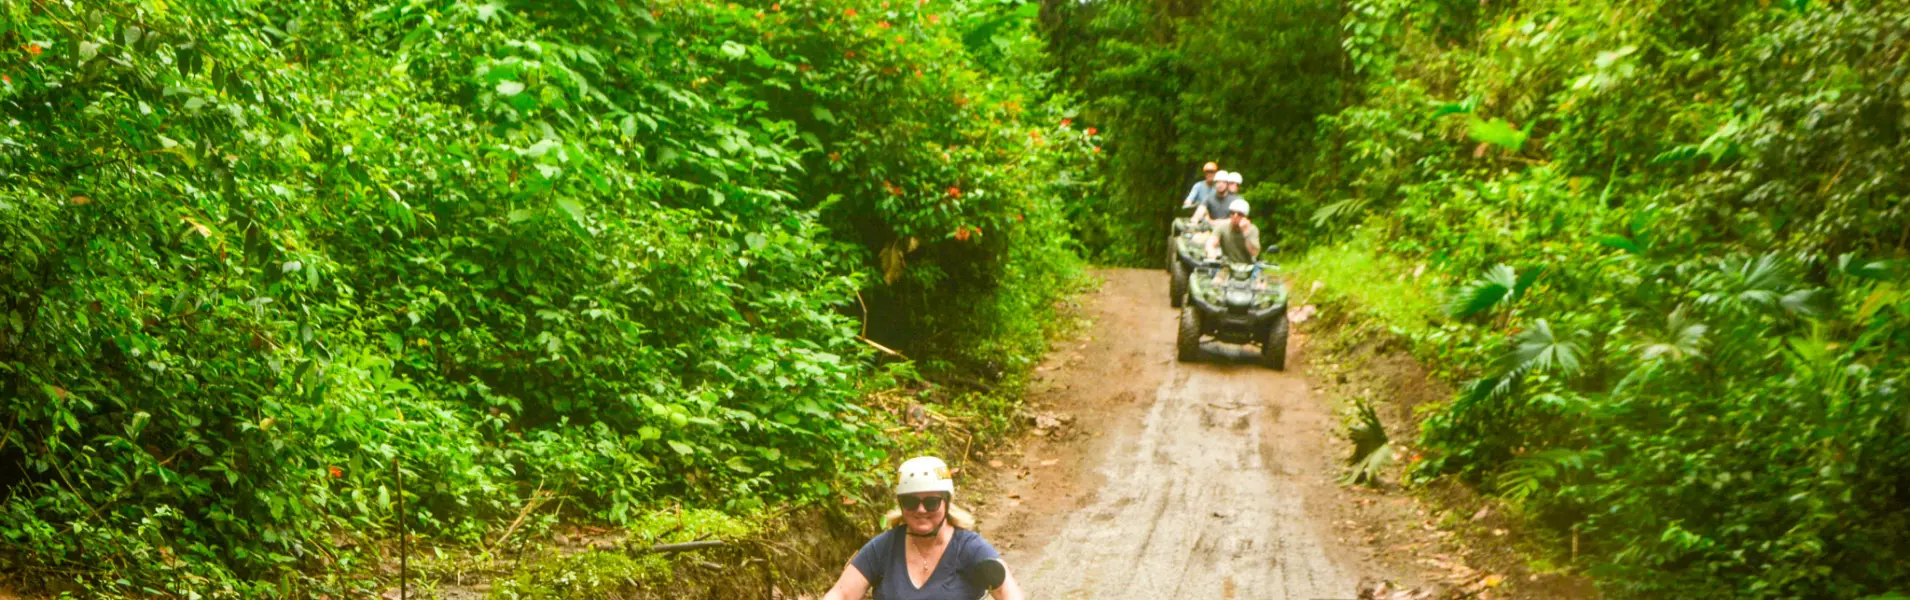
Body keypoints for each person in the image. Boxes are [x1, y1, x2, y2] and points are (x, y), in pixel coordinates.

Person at [821, 457, 1025, 600]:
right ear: (901, 505)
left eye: (931, 503)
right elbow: (842, 593)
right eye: (910, 502)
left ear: (946, 502)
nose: (920, 510)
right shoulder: (884, 547)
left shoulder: (970, 548)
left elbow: (1009, 593)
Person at [1206, 198, 1261, 264]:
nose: (1235, 216)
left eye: (1239, 214)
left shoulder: (1252, 230)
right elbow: (1212, 242)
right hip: (1227, 266)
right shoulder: (1222, 227)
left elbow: (1254, 252)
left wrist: (1245, 232)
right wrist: (1211, 253)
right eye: (1232, 213)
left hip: (1248, 267)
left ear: (1245, 216)